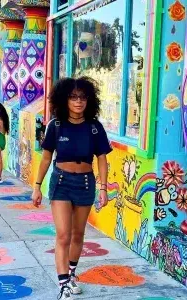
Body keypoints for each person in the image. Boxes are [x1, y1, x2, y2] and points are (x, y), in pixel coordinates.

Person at [31, 77, 112, 300]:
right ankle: (64, 284)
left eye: (83, 97)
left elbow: (102, 159)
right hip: (61, 183)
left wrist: (103, 188)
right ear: (64, 99)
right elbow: (46, 158)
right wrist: (37, 187)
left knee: (78, 234)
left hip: (85, 183)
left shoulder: (95, 127)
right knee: (64, 235)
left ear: (89, 100)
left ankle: (72, 273)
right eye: (73, 97)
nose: (78, 101)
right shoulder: (55, 125)